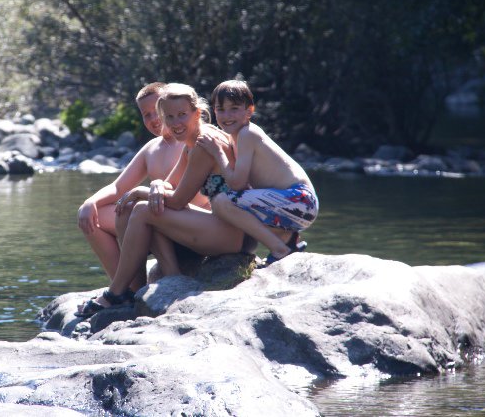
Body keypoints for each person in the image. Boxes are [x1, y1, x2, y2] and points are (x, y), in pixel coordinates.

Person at [77, 83, 249, 317]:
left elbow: (177, 200)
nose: (173, 121)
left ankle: (122, 291)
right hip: (200, 225)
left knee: (144, 209)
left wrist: (144, 191)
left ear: (197, 113)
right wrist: (156, 185)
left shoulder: (204, 142)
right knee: (135, 207)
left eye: (181, 115)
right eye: (169, 116)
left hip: (230, 232)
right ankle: (135, 289)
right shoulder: (190, 144)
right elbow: (168, 183)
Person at [77, 82, 209, 281]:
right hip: (159, 222)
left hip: (191, 226)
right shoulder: (151, 148)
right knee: (92, 218)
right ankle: (129, 288)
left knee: (142, 208)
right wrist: (90, 202)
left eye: (157, 110)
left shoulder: (193, 140)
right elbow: (118, 187)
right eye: (146, 115)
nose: (154, 118)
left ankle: (159, 278)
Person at [197, 79, 318, 265]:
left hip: (299, 199)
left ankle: (280, 249)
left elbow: (236, 184)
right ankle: (288, 239)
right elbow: (243, 186)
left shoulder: (247, 134)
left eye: (234, 108)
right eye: (220, 109)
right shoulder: (237, 137)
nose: (226, 115)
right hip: (298, 203)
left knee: (222, 202)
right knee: (229, 205)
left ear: (249, 111)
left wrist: (217, 152)